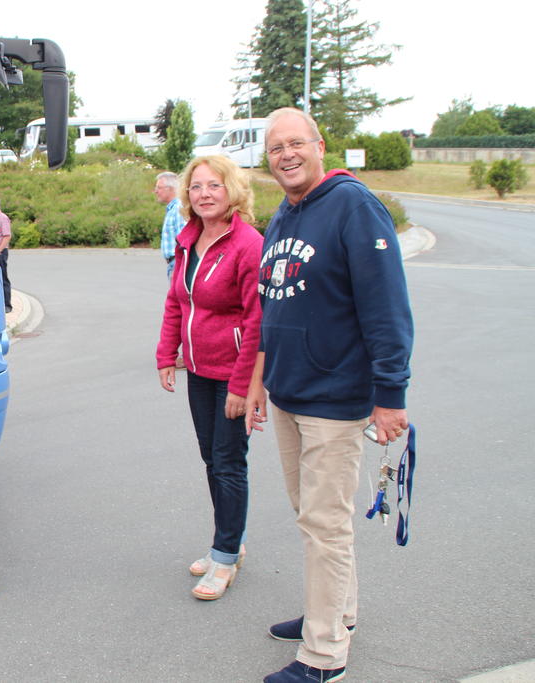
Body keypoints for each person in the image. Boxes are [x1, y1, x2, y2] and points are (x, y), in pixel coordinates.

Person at [245, 108, 413, 683]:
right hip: (290, 394)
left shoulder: (353, 207)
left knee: (325, 525)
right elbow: (271, 305)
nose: (286, 155)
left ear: (319, 146)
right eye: (275, 148)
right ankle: (335, 613)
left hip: (335, 399)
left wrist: (390, 395)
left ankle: (324, 655)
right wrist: (261, 381)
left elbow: (387, 308)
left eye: (296, 143)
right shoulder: (284, 214)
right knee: (315, 518)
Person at [156, 156, 262, 601]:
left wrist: (242, 386)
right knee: (211, 459)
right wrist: (167, 353)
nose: (204, 194)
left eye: (214, 185)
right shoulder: (190, 239)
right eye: (196, 186)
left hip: (232, 372)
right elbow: (177, 301)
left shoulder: (248, 244)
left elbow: (257, 321)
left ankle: (225, 556)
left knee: (229, 462)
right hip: (199, 371)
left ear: (231, 190)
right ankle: (229, 540)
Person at [154, 171, 183, 278]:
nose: (156, 191)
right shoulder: (172, 209)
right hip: (174, 263)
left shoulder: (179, 209)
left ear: (170, 188)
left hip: (178, 264)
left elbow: (184, 242)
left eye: (159, 187)